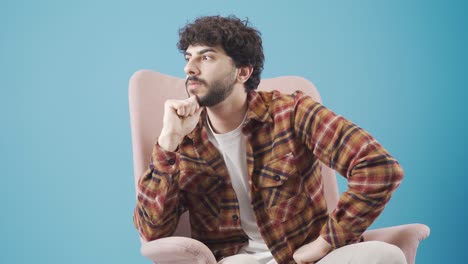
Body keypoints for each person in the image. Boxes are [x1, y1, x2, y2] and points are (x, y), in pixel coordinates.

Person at [133, 15, 407, 264]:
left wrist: (325, 243)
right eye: (188, 58)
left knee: (387, 254)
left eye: (206, 57)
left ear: (243, 72)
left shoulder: (292, 112)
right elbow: (152, 231)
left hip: (306, 258)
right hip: (236, 261)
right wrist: (168, 142)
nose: (189, 69)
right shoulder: (184, 139)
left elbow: (378, 168)